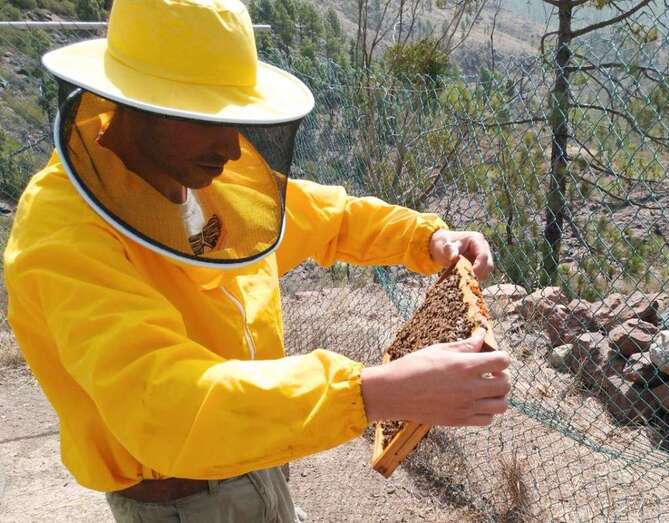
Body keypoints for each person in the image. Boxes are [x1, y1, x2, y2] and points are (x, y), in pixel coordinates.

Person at [2, 0, 511, 521]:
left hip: (261, 458)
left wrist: (425, 239)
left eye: (235, 116)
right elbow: (165, 403)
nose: (230, 147)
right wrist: (371, 392)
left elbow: (329, 217)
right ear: (135, 101)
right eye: (207, 117)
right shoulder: (61, 234)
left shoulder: (201, 173)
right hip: (183, 505)